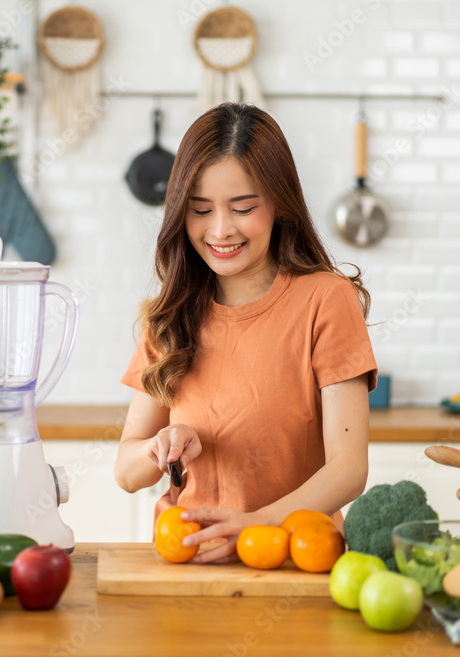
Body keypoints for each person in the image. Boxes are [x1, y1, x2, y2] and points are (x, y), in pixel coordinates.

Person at [114, 103, 377, 564]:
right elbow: (126, 471)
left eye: (243, 208)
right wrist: (160, 446)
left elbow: (349, 469)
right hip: (189, 560)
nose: (219, 230)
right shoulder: (171, 316)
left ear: (280, 203)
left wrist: (260, 523)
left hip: (295, 561)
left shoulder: (324, 301)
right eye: (200, 209)